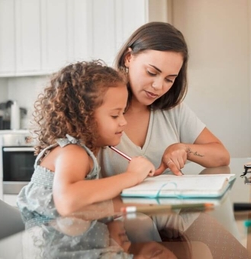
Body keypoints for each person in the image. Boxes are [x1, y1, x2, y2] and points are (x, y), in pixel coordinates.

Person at [16, 60, 155, 223]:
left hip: (75, 243)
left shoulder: (83, 152)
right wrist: (132, 175)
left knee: (140, 223)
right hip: (58, 247)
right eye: (115, 115)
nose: (123, 122)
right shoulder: (73, 152)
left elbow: (89, 208)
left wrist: (140, 203)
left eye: (123, 113)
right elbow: (68, 202)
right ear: (83, 118)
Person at [99, 21, 230, 177]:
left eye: (169, 79)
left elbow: (222, 156)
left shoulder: (173, 109)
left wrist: (183, 148)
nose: (158, 86)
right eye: (151, 72)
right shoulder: (99, 105)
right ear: (128, 58)